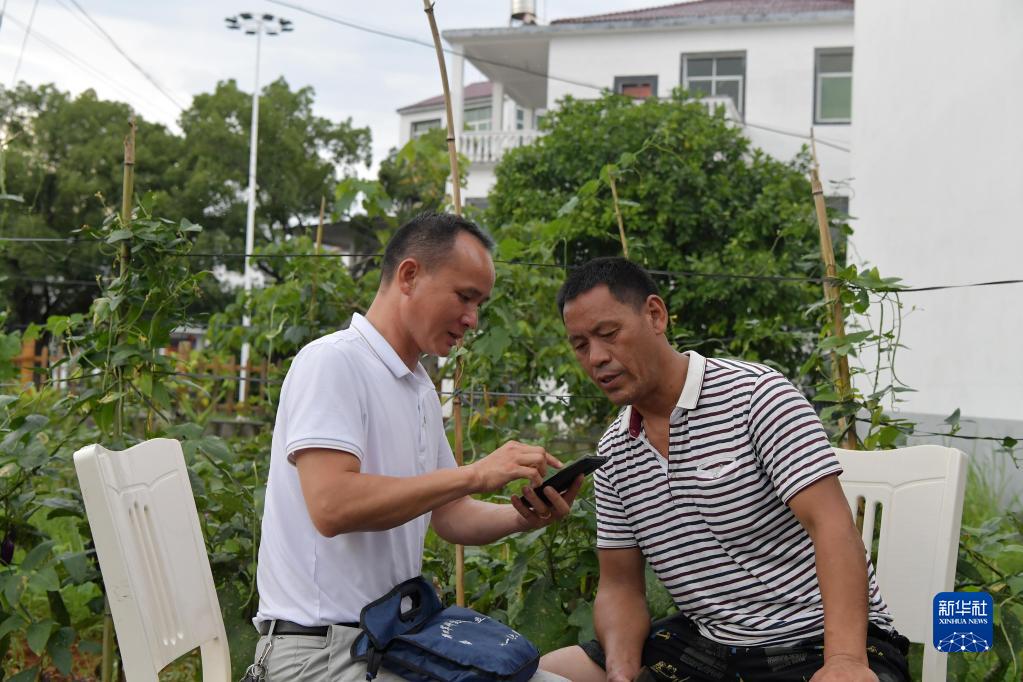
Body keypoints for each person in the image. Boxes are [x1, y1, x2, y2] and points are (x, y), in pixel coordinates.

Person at [540, 257, 910, 682]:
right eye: (580, 345)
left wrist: (845, 660)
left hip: (817, 641)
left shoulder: (756, 397)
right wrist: (621, 672)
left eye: (609, 334)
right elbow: (620, 586)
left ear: (655, 315)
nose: (597, 358)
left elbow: (832, 525)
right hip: (708, 646)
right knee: (541, 673)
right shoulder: (614, 451)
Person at [252, 212, 580, 681]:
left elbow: (450, 514)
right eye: (464, 296)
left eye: (480, 303)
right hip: (319, 655)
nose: (472, 318)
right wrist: (475, 473)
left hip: (387, 643)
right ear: (409, 275)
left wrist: (523, 516)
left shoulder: (418, 387)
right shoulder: (333, 362)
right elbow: (332, 505)